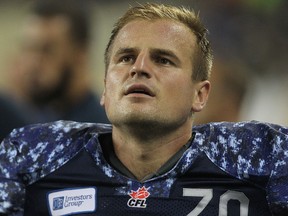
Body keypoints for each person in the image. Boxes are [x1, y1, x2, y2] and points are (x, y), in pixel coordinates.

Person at [0, 3, 287, 215]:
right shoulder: (33, 155)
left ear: (200, 94)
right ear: (105, 88)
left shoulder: (262, 155)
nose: (139, 69)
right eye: (125, 58)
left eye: (163, 60)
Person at [6, 0, 108, 124]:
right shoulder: (33, 119)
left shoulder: (101, 131)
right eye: (30, 48)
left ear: (81, 53)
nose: (33, 62)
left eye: (47, 50)